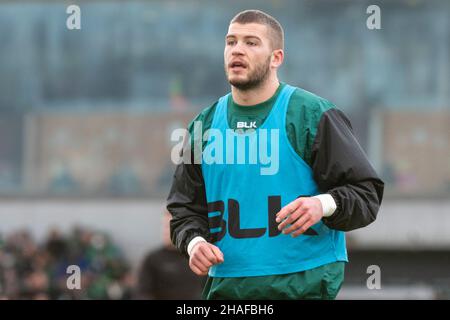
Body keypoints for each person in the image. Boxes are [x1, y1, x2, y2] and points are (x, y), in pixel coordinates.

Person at [167, 9, 384, 300]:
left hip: (303, 285)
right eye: (231, 42)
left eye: (251, 42)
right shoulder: (202, 126)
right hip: (227, 288)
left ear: (276, 58)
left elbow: (366, 193)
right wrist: (194, 243)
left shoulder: (311, 114)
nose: (237, 50)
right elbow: (183, 209)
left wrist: (321, 205)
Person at [137, 211, 205, 299]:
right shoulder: (152, 259)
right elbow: (142, 293)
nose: (167, 231)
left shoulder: (198, 257)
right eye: (165, 226)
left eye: (171, 227)